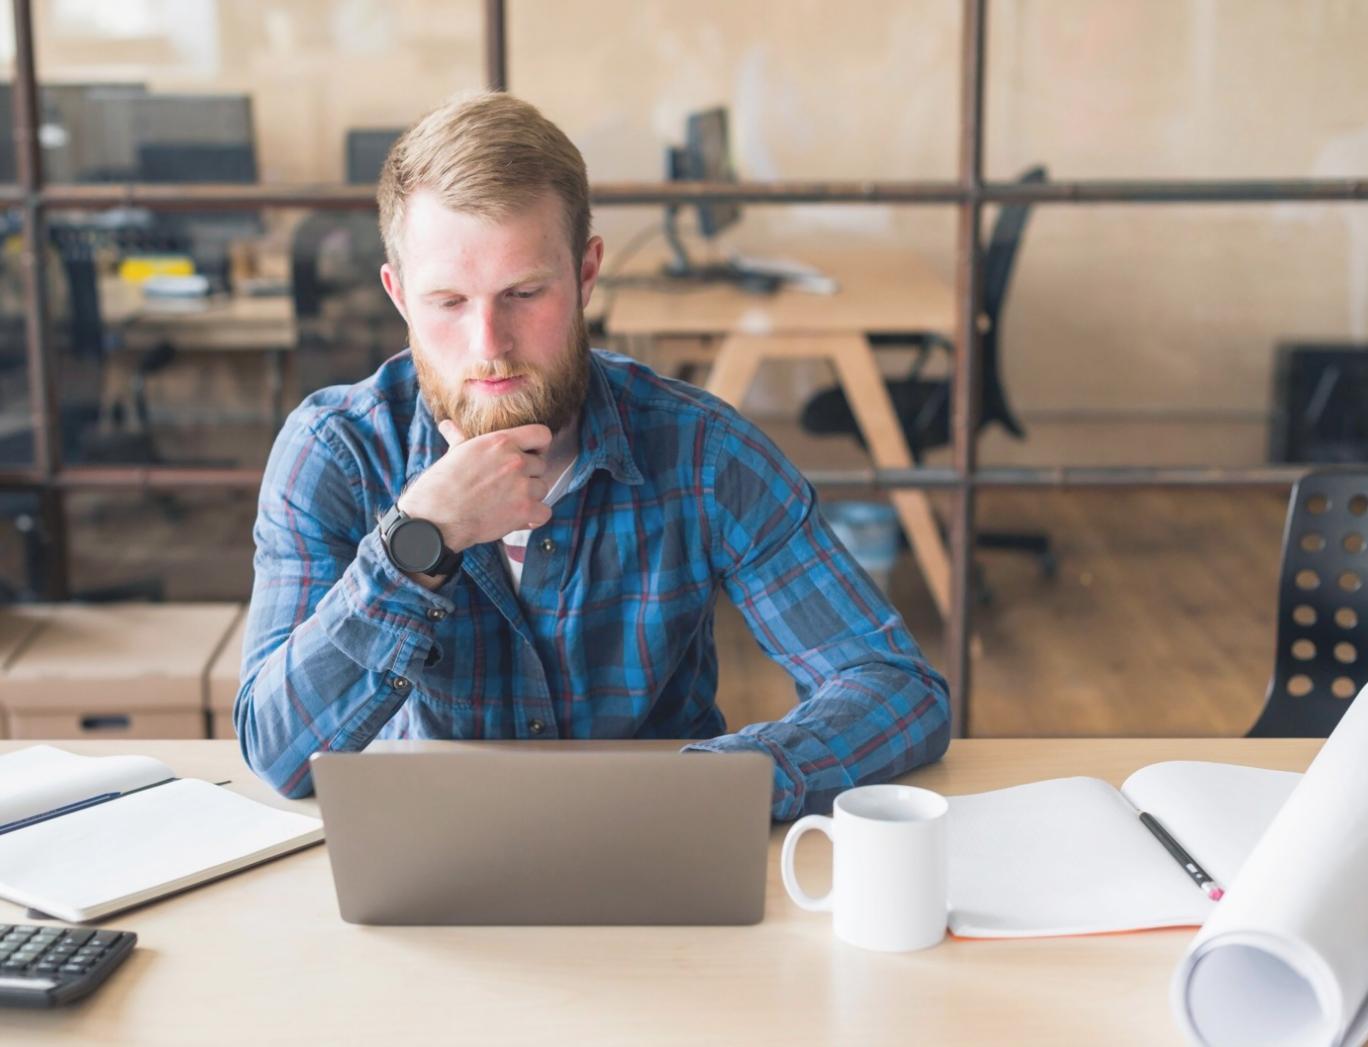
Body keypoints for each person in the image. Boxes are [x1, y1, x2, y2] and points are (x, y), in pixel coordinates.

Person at [235, 91, 950, 820]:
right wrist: (419, 539)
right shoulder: (336, 452)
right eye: (448, 302)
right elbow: (281, 752)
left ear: (583, 275)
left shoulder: (702, 451)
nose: (489, 345)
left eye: (523, 292)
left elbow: (893, 687)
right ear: (398, 296)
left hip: (658, 844)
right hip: (430, 861)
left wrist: (717, 783)